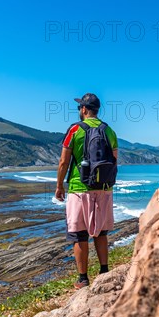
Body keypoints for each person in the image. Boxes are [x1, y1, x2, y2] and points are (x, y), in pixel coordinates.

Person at [55, 93, 118, 289]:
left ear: (83, 109)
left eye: (79, 108)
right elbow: (114, 161)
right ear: (97, 110)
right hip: (104, 188)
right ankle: (104, 271)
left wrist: (59, 186)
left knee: (79, 234)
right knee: (101, 232)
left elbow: (64, 162)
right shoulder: (109, 131)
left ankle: (83, 278)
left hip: (79, 188)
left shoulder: (75, 129)